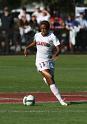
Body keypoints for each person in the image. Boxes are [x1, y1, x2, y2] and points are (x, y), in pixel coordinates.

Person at [24, 20, 67, 106]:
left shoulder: (52, 36)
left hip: (49, 61)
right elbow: (35, 42)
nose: (43, 30)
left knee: (50, 78)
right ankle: (61, 100)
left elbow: (58, 48)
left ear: (48, 28)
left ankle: (46, 79)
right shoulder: (37, 35)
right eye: (42, 28)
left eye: (45, 28)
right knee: (50, 78)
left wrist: (56, 54)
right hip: (39, 61)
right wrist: (26, 47)